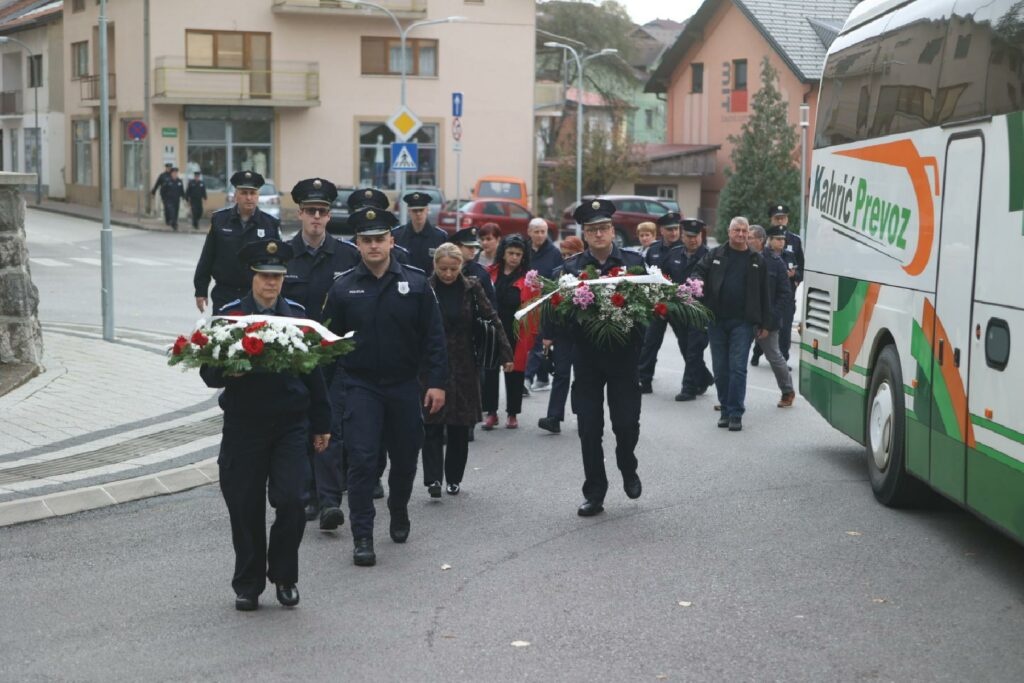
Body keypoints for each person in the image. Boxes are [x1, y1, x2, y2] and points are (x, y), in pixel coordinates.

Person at [200, 239, 331, 611]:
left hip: (291, 424)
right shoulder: (230, 315)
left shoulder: (298, 316)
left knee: (292, 500)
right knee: (244, 505)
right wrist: (232, 367)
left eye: (277, 276)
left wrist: (322, 422)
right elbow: (209, 373)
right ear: (252, 276)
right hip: (245, 425)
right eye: (264, 276)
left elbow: (314, 371)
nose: (271, 283)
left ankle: (285, 575)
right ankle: (248, 582)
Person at [321, 205, 448, 567]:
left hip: (404, 385)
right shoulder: (343, 287)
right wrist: (321, 400)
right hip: (360, 386)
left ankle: (398, 507)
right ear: (357, 244)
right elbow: (327, 344)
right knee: (361, 461)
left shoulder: (417, 283)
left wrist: (436, 383)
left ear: (392, 241)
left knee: (406, 458)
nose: (374, 245)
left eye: (380, 239)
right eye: (366, 240)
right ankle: (363, 536)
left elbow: (434, 339)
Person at [542, 199, 645, 516]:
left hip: (624, 359)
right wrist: (551, 335)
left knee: (626, 424)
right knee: (589, 428)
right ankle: (595, 491)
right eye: (592, 229)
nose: (599, 234)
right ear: (584, 234)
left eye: (603, 228)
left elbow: (652, 307)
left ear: (613, 231)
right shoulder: (571, 270)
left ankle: (627, 465)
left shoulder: (633, 265)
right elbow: (554, 306)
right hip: (586, 359)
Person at [281, 177, 355, 529]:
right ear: (300, 214)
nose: (316, 217)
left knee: (331, 427)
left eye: (322, 212)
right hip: (295, 356)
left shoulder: (346, 255)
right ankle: (308, 494)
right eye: (310, 211)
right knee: (300, 425)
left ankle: (329, 502)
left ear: (329, 217)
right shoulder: (283, 255)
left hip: (333, 356)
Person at [422, 244, 513, 497]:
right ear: (435, 266)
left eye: (453, 269)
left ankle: (453, 478)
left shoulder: (472, 287)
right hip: (431, 363)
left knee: (459, 426)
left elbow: (492, 318)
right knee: (431, 422)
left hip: (464, 364)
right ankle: (432, 479)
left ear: (461, 266)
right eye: (443, 269)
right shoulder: (425, 288)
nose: (448, 274)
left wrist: (506, 353)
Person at [692, 216, 772, 432]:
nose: (740, 234)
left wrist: (765, 322)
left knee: (737, 368)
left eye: (744, 230)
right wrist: (697, 284)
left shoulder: (757, 259)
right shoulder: (716, 254)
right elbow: (698, 271)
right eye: (736, 230)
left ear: (748, 233)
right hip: (716, 320)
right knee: (720, 369)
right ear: (728, 232)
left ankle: (736, 413)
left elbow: (765, 293)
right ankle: (725, 411)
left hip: (743, 324)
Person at [194, 170, 282, 313]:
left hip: (257, 296)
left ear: (258, 196)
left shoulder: (270, 224)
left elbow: (278, 264)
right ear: (236, 196)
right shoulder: (220, 221)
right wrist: (200, 290)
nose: (248, 198)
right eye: (244, 193)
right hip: (225, 293)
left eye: (252, 193)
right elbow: (207, 257)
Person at [481, 234, 539, 430]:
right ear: (503, 254)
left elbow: (533, 310)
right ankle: (491, 412)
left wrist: (530, 336)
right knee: (489, 370)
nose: (514, 257)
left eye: (518, 254)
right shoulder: (490, 273)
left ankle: (512, 413)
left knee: (515, 372)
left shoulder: (529, 279)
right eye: (511, 253)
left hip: (516, 330)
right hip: (492, 329)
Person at [537, 236, 585, 434]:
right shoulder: (556, 274)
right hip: (562, 333)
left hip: (584, 333)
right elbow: (548, 307)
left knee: (583, 377)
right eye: (564, 254)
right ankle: (554, 417)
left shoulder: (586, 273)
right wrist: (547, 336)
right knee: (561, 374)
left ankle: (584, 415)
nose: (567, 258)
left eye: (571, 254)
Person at [663, 218, 715, 401]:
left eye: (696, 236)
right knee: (686, 348)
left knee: (694, 349)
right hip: (678, 312)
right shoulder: (673, 254)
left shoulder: (710, 256)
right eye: (689, 236)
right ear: (682, 236)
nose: (693, 240)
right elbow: (664, 278)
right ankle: (705, 378)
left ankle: (689, 388)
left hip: (699, 311)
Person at [637, 212, 685, 393]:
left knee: (686, 345)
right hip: (657, 305)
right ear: (661, 231)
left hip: (677, 304)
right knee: (650, 343)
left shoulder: (684, 248)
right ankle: (644, 380)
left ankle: (698, 379)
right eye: (669, 229)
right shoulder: (654, 250)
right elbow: (647, 275)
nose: (674, 233)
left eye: (676, 229)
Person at [753, 203, 804, 364]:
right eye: (777, 218)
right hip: (768, 292)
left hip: (787, 293)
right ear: (772, 220)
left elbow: (801, 267)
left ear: (787, 219)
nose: (780, 221)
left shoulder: (794, 241)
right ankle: (757, 351)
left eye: (783, 218)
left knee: (785, 327)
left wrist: (795, 277)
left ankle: (783, 358)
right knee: (766, 325)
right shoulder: (766, 242)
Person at [752, 225, 796, 407]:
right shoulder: (744, 259)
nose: (746, 240)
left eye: (750, 237)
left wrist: (769, 323)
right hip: (745, 317)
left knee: (774, 357)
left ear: (761, 240)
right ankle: (729, 399)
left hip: (767, 320)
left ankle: (787, 391)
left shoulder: (776, 263)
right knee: (735, 359)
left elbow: (784, 294)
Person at [525, 218, 561, 392]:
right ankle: (543, 376)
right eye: (536, 231)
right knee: (533, 341)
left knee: (538, 340)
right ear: (529, 232)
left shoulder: (554, 253)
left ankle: (527, 378)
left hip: (545, 303)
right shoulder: (524, 250)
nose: (540, 235)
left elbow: (558, 279)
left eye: (543, 231)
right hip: (526, 302)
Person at [392, 191, 448, 275]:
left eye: (421, 210)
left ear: (427, 210)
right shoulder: (397, 235)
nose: (418, 214)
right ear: (409, 211)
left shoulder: (440, 237)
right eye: (414, 211)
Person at [449, 227, 496, 307]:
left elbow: (491, 304)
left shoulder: (481, 273)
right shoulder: (445, 269)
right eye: (469, 247)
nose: (473, 250)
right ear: (457, 246)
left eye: (475, 247)